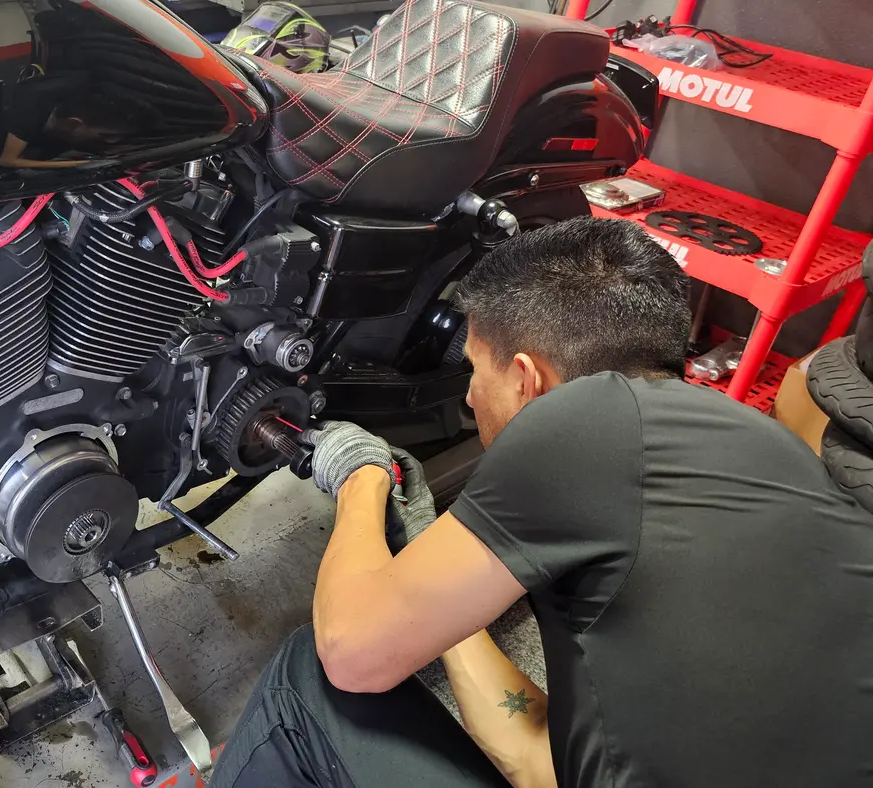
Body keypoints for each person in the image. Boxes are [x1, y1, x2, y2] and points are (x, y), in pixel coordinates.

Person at [210, 217, 873, 788]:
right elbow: (533, 760)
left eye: (475, 368)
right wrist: (432, 576)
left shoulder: (588, 415)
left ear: (529, 380)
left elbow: (351, 654)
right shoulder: (765, 449)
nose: (469, 397)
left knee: (306, 681)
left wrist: (362, 480)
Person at [0, 74, 146, 169]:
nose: (111, 141)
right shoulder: (26, 115)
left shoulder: (89, 87)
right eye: (106, 135)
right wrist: (84, 164)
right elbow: (7, 161)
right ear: (74, 123)